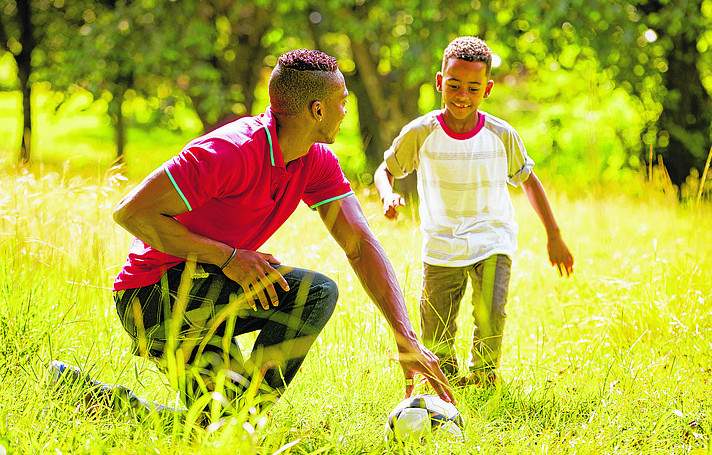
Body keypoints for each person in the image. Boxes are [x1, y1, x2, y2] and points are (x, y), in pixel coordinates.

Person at [51, 49, 453, 423]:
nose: (346, 111)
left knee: (225, 426)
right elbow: (131, 213)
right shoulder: (231, 152)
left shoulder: (314, 162)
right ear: (317, 109)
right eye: (342, 101)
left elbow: (359, 244)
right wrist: (228, 257)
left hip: (210, 295)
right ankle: (236, 419)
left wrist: (405, 335)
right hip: (153, 299)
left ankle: (109, 402)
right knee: (315, 292)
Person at [374, 37, 574, 387]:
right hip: (441, 246)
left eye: (473, 87)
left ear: (488, 88)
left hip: (492, 239)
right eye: (453, 85)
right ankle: (445, 380)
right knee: (435, 328)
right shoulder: (422, 132)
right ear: (440, 82)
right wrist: (387, 194)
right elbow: (385, 169)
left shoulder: (501, 134)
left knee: (492, 314)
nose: (462, 95)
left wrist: (554, 235)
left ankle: (483, 376)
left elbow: (529, 181)